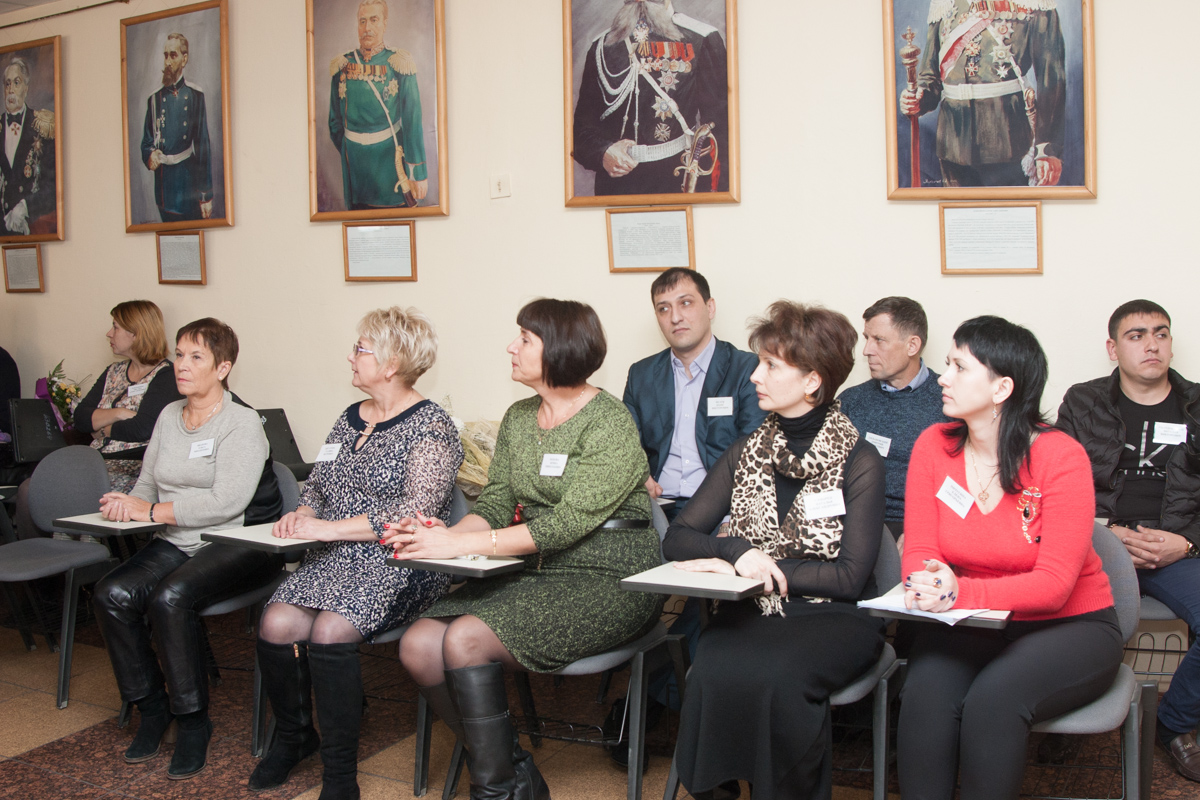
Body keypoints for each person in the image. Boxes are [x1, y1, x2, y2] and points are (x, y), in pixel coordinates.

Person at [387, 298, 661, 800]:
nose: (511, 347)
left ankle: (494, 791)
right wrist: (440, 535)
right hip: (534, 567)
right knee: (418, 644)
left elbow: (566, 523)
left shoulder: (610, 421)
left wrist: (459, 544)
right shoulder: (518, 417)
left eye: (525, 339)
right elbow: (495, 502)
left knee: (465, 639)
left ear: (559, 348)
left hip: (611, 576)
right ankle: (514, 774)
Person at [661, 301, 887, 800]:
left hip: (835, 616)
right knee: (710, 670)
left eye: (770, 365)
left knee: (779, 678)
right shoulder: (746, 452)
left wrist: (764, 568)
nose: (755, 376)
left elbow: (849, 577)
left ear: (812, 381)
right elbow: (677, 536)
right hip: (755, 611)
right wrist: (737, 551)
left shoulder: (860, 460)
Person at [898, 315, 1122, 800]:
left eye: (959, 367)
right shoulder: (933, 446)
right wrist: (925, 581)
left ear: (1002, 388)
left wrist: (958, 591)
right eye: (947, 364)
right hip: (972, 622)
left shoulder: (1060, 457)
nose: (942, 377)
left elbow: (1054, 586)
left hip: (1070, 626)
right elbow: (919, 549)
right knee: (923, 696)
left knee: (993, 701)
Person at [248, 307, 462, 799]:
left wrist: (327, 529)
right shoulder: (349, 418)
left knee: (330, 630)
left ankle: (340, 774)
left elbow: (414, 513)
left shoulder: (432, 426)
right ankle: (295, 737)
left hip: (400, 560)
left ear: (391, 364)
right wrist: (303, 513)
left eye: (361, 349)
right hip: (334, 555)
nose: (351, 356)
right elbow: (319, 482)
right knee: (276, 623)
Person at [91, 318, 284, 781]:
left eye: (196, 357)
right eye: (179, 354)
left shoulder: (241, 422)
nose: (182, 365)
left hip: (236, 540)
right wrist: (125, 504)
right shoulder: (168, 416)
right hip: (177, 539)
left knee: (169, 598)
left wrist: (150, 511)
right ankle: (152, 708)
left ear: (223, 368)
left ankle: (194, 720)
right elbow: (147, 482)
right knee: (111, 593)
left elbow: (225, 503)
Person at [1056, 300, 1200, 782]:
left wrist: (1186, 543)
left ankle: (1173, 724)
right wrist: (1106, 533)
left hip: (1175, 548)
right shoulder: (1084, 401)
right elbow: (1056, 485)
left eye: (1161, 333)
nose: (1151, 344)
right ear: (1113, 348)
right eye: (1136, 335)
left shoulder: (1197, 404)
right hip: (1101, 543)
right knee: (1049, 608)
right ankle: (1063, 707)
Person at [624, 268, 764, 521]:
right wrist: (639, 476)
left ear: (710, 308)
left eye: (685, 303)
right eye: (663, 309)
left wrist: (730, 518)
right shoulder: (641, 374)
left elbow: (754, 452)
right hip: (658, 506)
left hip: (722, 508)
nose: (675, 317)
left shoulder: (746, 369)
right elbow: (626, 446)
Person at [900, 0, 1066, 188]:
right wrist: (919, 98)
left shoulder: (1033, 4)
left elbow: (1052, 79)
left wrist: (1047, 148)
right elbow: (931, 77)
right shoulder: (944, 3)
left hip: (1009, 140)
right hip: (952, 142)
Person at [572, 0, 729, 196]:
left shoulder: (701, 38)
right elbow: (580, 132)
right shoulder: (602, 47)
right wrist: (603, 152)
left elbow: (720, 129)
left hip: (675, 179)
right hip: (615, 186)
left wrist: (715, 195)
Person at [838, 296, 947, 539]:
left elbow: (964, 487)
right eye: (867, 338)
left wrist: (922, 532)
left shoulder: (949, 402)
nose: (867, 350)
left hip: (921, 524)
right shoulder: (851, 401)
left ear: (912, 346)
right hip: (855, 522)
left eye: (879, 340)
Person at [71, 301, 181, 493]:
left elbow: (142, 428)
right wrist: (119, 413)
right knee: (34, 487)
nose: (109, 334)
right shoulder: (113, 371)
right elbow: (81, 418)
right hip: (94, 463)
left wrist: (102, 430)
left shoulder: (166, 376)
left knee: (65, 493)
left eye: (115, 327)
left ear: (136, 333)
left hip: (132, 470)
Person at [329, 0, 428, 210]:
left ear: (384, 23)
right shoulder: (343, 65)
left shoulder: (399, 63)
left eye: (374, 20)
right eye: (362, 21)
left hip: (389, 166)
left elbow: (412, 120)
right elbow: (335, 123)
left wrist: (417, 173)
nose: (367, 28)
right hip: (355, 171)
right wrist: (351, 151)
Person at [140, 33, 213, 223]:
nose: (168, 62)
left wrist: (205, 195)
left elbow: (203, 146)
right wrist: (150, 155)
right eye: (165, 55)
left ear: (184, 59)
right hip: (164, 188)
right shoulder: (154, 99)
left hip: (189, 185)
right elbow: (146, 142)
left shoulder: (195, 95)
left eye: (173, 55)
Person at [1, 56, 56, 236]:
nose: (11, 90)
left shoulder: (42, 127)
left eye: (16, 83)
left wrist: (25, 207)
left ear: (26, 87)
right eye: (7, 84)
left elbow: (52, 188)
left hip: (31, 226)